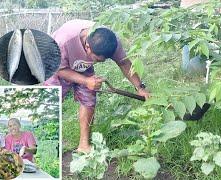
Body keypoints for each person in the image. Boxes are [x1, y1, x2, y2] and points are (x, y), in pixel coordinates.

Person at [44, 19, 150, 153]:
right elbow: (59, 69)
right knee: (52, 101)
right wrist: (86, 81)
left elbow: (124, 63)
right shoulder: (63, 41)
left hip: (82, 64)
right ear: (87, 46)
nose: (99, 62)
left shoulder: (112, 41)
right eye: (97, 60)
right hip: (57, 65)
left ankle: (84, 145)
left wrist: (140, 87)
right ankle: (46, 142)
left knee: (89, 100)